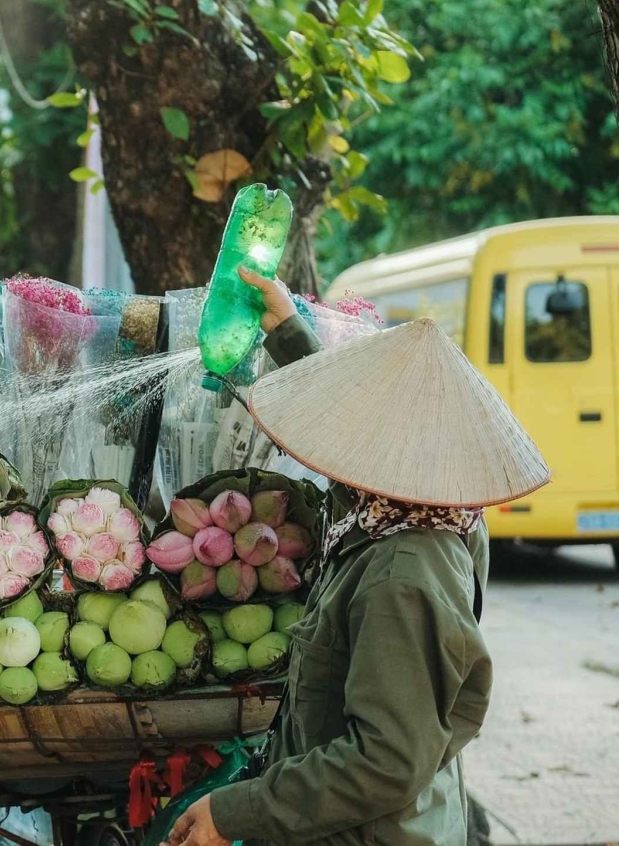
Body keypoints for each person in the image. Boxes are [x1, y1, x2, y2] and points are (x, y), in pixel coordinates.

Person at [169, 267, 550, 846]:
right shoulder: (428, 509)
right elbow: (351, 432)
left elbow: (386, 762)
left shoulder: (402, 575)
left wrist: (239, 812)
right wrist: (288, 331)